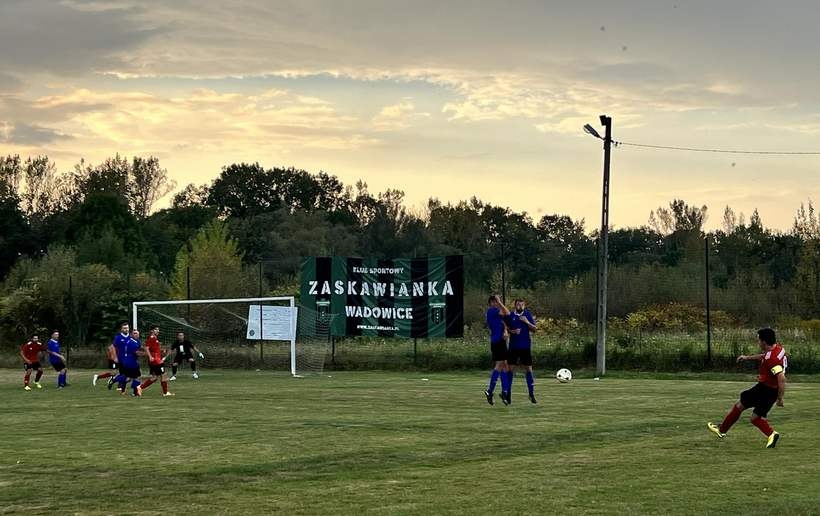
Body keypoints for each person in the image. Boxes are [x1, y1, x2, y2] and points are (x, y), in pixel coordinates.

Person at [707, 328, 786, 448]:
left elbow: (781, 378)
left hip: (766, 389)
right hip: (769, 390)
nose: (758, 342)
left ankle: (722, 430)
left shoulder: (772, 359)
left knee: (741, 405)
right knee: (754, 417)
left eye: (759, 340)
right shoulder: (778, 349)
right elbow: (765, 357)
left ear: (764, 342)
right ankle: (771, 434)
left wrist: (780, 398)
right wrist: (747, 357)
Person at [506, 299, 537, 404]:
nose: (520, 306)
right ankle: (508, 395)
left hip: (525, 347)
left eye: (522, 305)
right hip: (513, 347)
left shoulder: (527, 315)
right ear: (515, 305)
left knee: (528, 370)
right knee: (510, 370)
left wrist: (527, 322)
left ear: (524, 306)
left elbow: (534, 329)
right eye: (518, 304)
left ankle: (531, 394)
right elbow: (506, 328)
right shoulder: (511, 315)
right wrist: (513, 331)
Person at [484, 294, 510, 406]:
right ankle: (490, 391)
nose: (495, 303)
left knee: (504, 365)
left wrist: (505, 331)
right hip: (497, 341)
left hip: (500, 341)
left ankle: (503, 392)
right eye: (493, 302)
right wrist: (499, 302)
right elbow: (507, 313)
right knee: (500, 365)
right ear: (490, 303)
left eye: (496, 301)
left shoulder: (497, 314)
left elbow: (503, 322)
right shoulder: (492, 311)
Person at [139, 325, 174, 397]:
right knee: (163, 375)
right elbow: (146, 348)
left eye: (158, 329)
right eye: (156, 329)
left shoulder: (155, 338)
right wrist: (150, 357)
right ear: (152, 331)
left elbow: (153, 349)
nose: (158, 331)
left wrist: (162, 351)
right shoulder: (151, 338)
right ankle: (165, 393)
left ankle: (140, 387)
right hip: (156, 361)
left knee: (155, 377)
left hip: (156, 360)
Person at [118, 329, 144, 396]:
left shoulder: (136, 341)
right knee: (137, 377)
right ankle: (135, 392)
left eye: (137, 333)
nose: (137, 335)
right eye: (135, 333)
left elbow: (140, 348)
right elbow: (137, 353)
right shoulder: (132, 342)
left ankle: (123, 390)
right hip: (131, 362)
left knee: (129, 378)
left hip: (128, 361)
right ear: (131, 335)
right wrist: (147, 354)